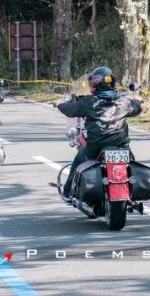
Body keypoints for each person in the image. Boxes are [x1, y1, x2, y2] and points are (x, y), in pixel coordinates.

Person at [57, 66, 142, 201]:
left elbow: (70, 110)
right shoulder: (124, 102)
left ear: (95, 83)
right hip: (121, 145)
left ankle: (67, 192)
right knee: (131, 162)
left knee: (80, 158)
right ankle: (132, 189)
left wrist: (60, 104)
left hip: (96, 146)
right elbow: (137, 108)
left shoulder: (89, 102)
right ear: (112, 82)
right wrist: (137, 100)